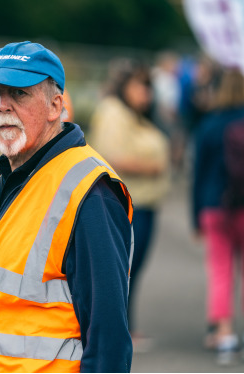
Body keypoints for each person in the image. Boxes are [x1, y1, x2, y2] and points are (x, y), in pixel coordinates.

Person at [0, 41, 134, 373]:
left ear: (54, 106)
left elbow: (109, 345)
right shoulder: (7, 172)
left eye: (18, 94)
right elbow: (22, 303)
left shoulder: (90, 193)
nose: (2, 106)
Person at [88, 59, 170, 350]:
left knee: (129, 271)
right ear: (125, 85)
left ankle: (124, 328)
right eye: (141, 85)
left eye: (150, 86)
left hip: (145, 204)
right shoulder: (114, 112)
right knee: (121, 271)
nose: (147, 92)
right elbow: (110, 156)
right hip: (125, 206)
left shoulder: (137, 115)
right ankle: (117, 332)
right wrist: (152, 167)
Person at [192, 68, 244, 366]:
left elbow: (198, 174)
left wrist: (195, 216)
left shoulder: (209, 124)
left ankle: (224, 335)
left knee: (221, 270)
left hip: (215, 206)